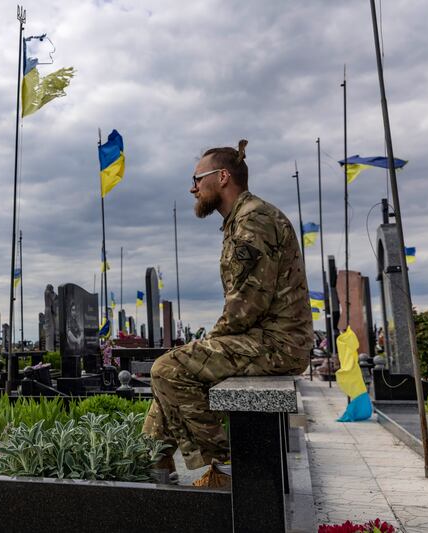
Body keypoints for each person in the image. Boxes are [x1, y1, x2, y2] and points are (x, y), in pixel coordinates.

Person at [142, 140, 313, 486]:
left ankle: (226, 466)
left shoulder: (253, 220)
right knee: (176, 369)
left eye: (197, 179)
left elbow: (246, 305)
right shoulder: (243, 218)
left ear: (222, 177)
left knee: (167, 368)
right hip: (264, 339)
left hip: (277, 345)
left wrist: (209, 341)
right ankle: (152, 462)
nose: (193, 188)